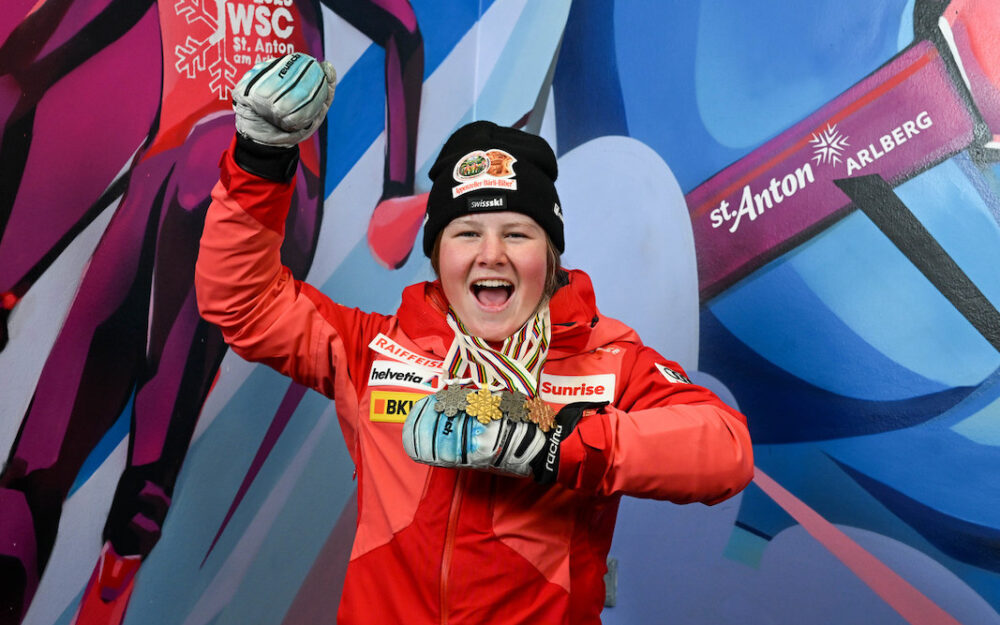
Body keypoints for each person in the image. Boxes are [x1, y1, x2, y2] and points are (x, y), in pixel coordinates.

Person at [195, 53, 754, 625]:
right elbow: (245, 303)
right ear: (437, 255)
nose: (492, 254)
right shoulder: (377, 350)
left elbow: (725, 448)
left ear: (550, 254)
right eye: (466, 233)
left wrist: (555, 443)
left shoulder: (606, 361)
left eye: (517, 232)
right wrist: (259, 161)